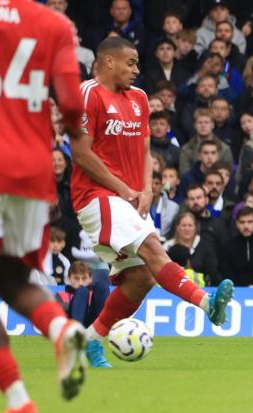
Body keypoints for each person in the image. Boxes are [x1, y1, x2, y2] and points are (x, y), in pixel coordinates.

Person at [69, 37, 235, 370]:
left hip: (130, 200)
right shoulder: (88, 94)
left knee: (142, 278)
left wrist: (145, 189)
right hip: (96, 197)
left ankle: (90, 340)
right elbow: (81, 152)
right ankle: (207, 303)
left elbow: (146, 150)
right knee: (153, 251)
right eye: (130, 62)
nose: (136, 69)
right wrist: (122, 188)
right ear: (107, 62)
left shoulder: (140, 99)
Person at [0, 0, 89, 413]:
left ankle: (16, 395)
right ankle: (58, 331)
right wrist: (70, 135)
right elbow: (72, 103)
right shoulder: (53, 24)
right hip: (31, 170)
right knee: (10, 278)